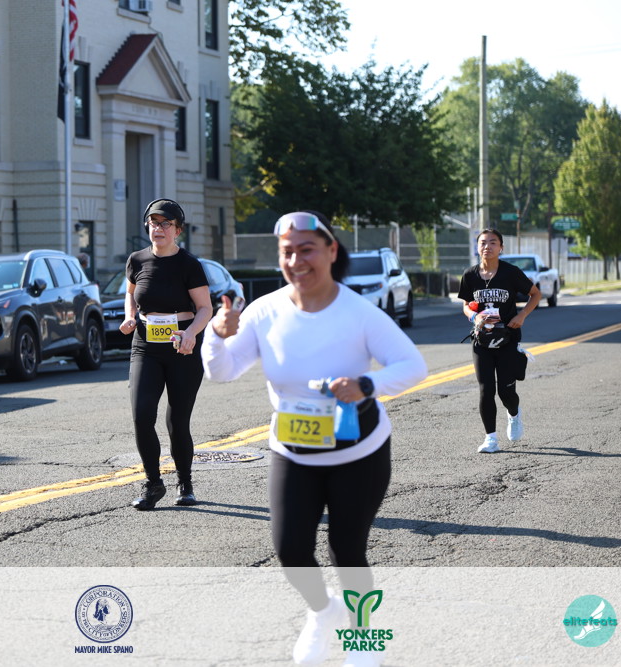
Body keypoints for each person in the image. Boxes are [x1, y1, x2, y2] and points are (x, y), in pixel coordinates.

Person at [201, 211, 426, 666]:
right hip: (294, 451)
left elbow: (413, 366)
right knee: (290, 550)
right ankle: (324, 613)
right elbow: (221, 372)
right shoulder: (264, 311)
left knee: (348, 550)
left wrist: (366, 384)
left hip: (359, 451)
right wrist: (216, 335)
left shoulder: (359, 312)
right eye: (287, 252)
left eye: (306, 250)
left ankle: (363, 639)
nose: (296, 261)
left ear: (331, 251)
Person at [118, 198, 213, 510]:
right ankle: (153, 483)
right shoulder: (137, 260)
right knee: (142, 415)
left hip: (182, 346)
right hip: (145, 344)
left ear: (178, 230)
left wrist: (191, 333)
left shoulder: (189, 265)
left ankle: (185, 483)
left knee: (177, 421)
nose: (158, 228)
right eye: (153, 223)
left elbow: (205, 308)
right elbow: (131, 294)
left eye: (166, 224)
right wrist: (130, 316)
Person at [458, 228, 541, 453]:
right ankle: (490, 439)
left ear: (501, 248)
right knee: (486, 389)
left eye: (493, 242)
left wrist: (522, 315)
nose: (487, 246)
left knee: (506, 392)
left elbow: (535, 294)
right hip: (481, 340)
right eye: (483, 243)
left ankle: (514, 414)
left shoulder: (510, 273)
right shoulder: (470, 275)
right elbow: (465, 304)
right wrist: (474, 316)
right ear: (477, 248)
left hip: (507, 339)